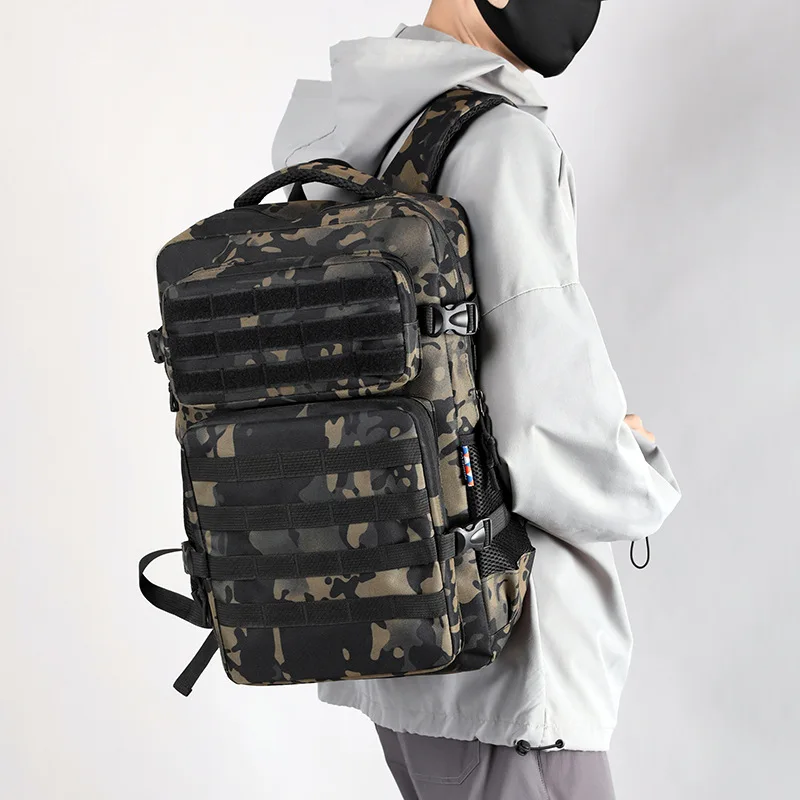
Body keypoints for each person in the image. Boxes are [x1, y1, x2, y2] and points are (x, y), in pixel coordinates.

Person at [271, 1, 681, 797]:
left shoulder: (335, 140)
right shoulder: (500, 142)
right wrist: (636, 468)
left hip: (387, 628)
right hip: (505, 652)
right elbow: (547, 427)